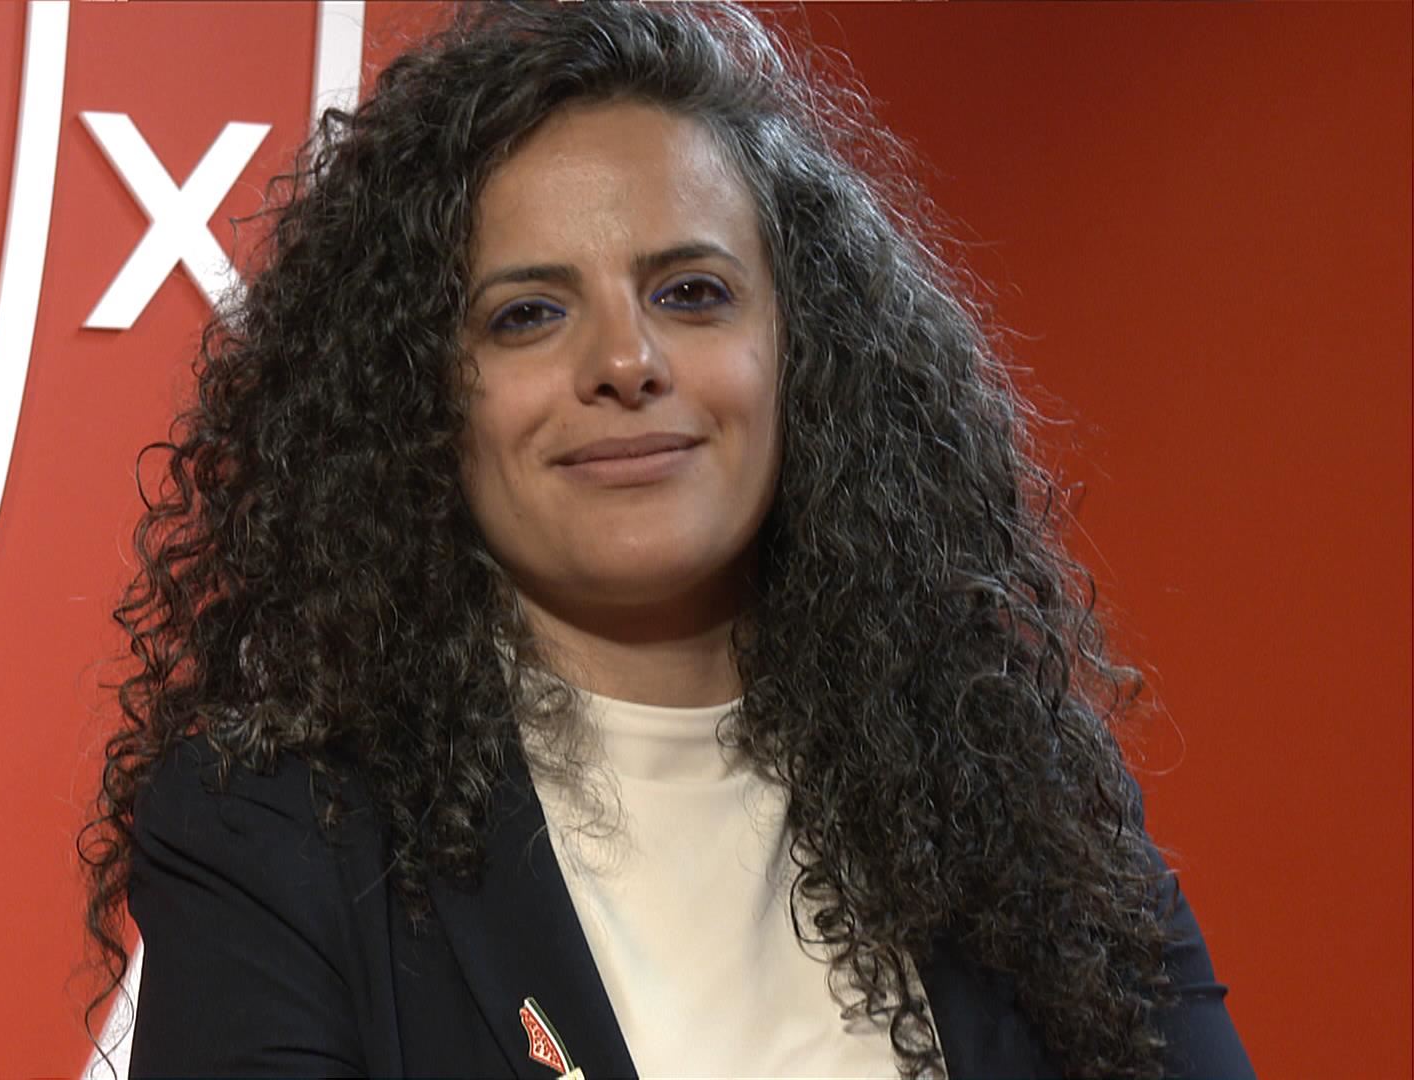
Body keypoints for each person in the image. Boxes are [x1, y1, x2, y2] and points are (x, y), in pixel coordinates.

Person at [84, 2, 1253, 1076]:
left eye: (692, 293)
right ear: (418, 396)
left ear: (800, 352)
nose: (625, 361)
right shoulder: (278, 833)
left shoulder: (1008, 790)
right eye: (528, 314)